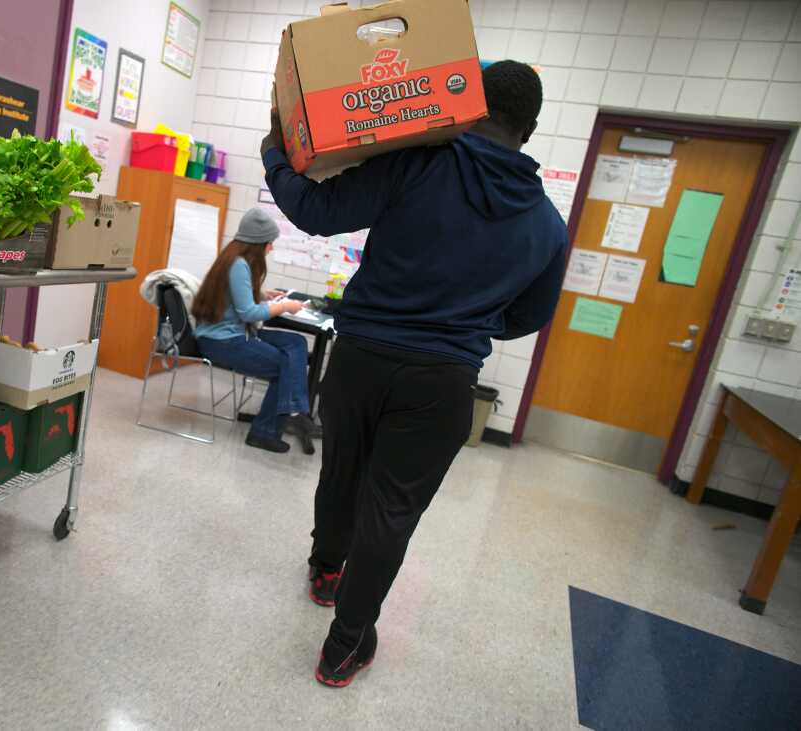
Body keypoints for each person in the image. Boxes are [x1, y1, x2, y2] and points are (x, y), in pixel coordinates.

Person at [260, 61, 569, 686]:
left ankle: (325, 572)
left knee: (341, 472)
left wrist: (274, 151)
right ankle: (343, 648)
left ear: (471, 103)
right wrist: (463, 322)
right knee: (391, 513)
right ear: (531, 131)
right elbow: (527, 318)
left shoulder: (416, 162)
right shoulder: (548, 227)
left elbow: (316, 210)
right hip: (444, 382)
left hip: (361, 357)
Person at [192, 208, 320, 454]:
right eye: (269, 243)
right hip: (223, 341)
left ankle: (295, 409)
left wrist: (263, 295)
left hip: (231, 333)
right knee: (286, 366)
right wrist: (283, 306)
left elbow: (236, 300)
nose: (271, 248)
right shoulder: (239, 264)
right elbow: (248, 313)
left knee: (296, 344)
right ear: (258, 243)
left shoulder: (232, 258)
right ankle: (265, 432)